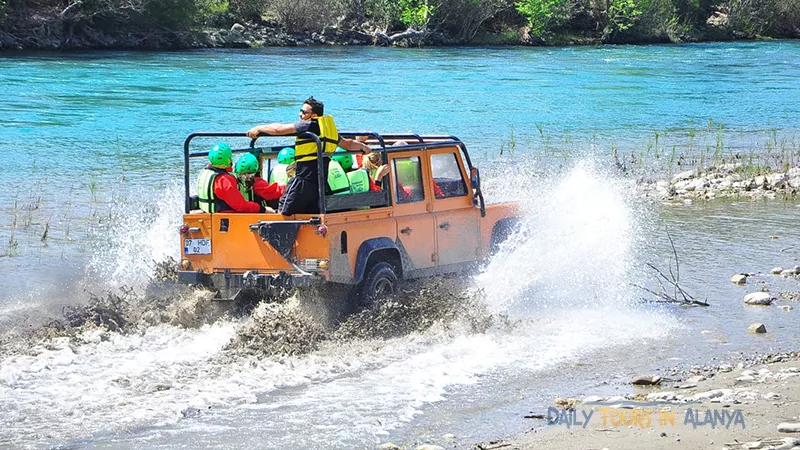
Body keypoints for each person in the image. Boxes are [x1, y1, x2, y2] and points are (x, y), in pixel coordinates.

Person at [246, 97, 371, 215]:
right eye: (300, 111)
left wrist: (259, 128)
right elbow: (348, 144)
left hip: (303, 180)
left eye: (304, 112)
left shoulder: (308, 125)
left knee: (283, 210)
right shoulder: (327, 130)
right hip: (319, 185)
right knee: (311, 215)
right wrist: (364, 147)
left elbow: (279, 129)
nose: (300, 115)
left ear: (314, 115)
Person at [197, 143, 265, 213]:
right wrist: (262, 209)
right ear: (228, 159)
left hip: (207, 214)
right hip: (227, 217)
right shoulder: (224, 180)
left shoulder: (204, 173)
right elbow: (240, 206)